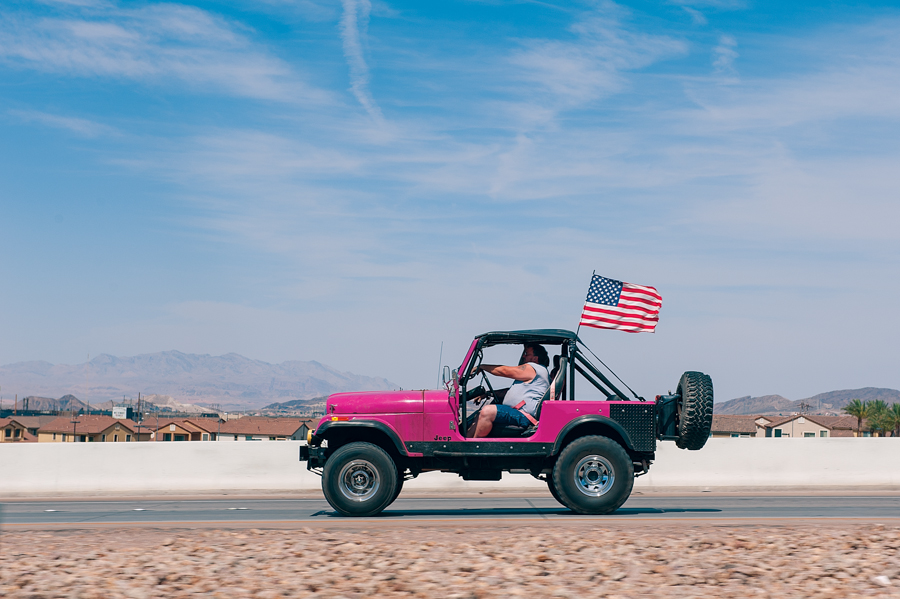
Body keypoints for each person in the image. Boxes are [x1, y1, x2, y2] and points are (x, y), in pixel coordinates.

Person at [467, 344, 550, 438]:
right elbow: (509, 391)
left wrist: (482, 366)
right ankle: (464, 445)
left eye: (526, 354)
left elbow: (504, 371)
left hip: (524, 415)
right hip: (518, 412)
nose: (524, 356)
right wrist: (488, 394)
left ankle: (475, 447)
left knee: (487, 411)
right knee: (479, 414)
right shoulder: (536, 372)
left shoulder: (534, 368)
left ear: (535, 358)